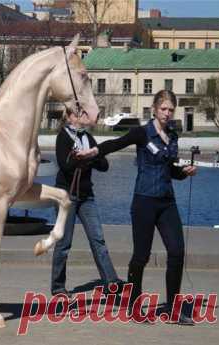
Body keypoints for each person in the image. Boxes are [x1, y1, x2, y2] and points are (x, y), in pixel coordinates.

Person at [79, 90, 197, 325]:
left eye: (171, 109)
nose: (167, 113)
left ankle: (174, 309)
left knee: (176, 251)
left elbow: (170, 170)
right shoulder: (142, 133)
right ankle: (135, 306)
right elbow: (115, 143)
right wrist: (93, 151)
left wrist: (184, 173)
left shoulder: (173, 135)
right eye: (163, 108)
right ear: (154, 108)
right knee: (141, 256)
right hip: (143, 201)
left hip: (167, 201)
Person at [51, 104, 124, 298]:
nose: (82, 116)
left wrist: (90, 156)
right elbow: (66, 165)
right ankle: (58, 287)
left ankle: (111, 282)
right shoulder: (63, 137)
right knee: (64, 243)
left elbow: (104, 165)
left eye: (83, 113)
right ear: (68, 117)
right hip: (66, 195)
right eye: (78, 113)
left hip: (86, 196)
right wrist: (85, 157)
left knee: (97, 239)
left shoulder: (87, 137)